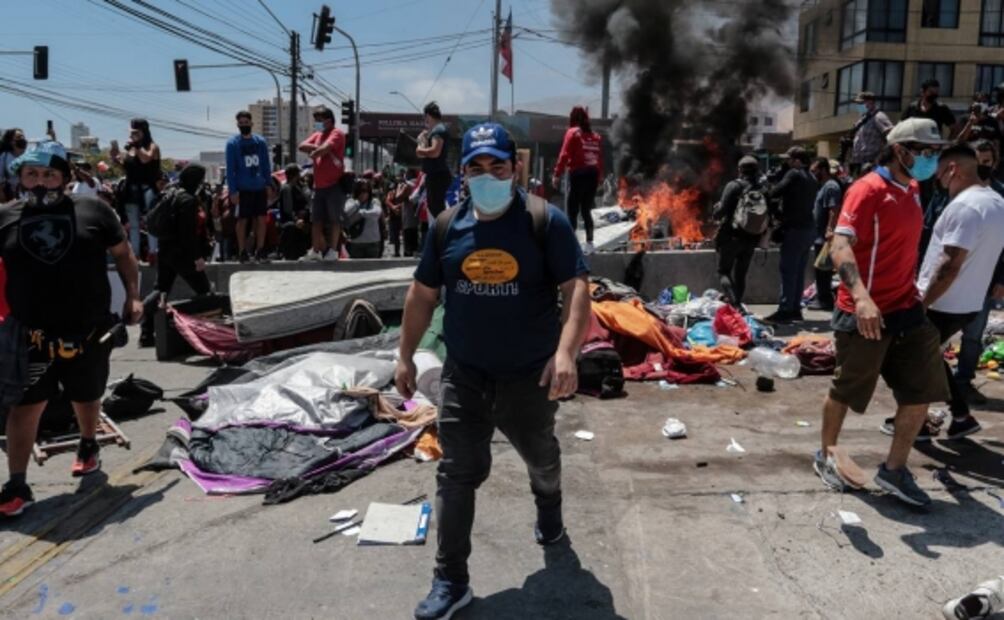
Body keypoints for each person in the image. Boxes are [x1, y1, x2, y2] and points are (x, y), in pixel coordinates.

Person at [396, 123, 591, 620]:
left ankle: (549, 509)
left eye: (496, 167)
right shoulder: (446, 227)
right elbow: (422, 296)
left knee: (541, 458)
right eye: (476, 168)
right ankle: (451, 580)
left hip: (530, 377)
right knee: (456, 474)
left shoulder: (545, 222)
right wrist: (404, 356)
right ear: (463, 172)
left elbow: (577, 292)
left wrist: (566, 353)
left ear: (515, 168)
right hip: (467, 376)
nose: (487, 176)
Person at [813, 118, 950, 507]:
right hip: (864, 312)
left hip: (906, 309)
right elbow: (840, 246)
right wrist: (861, 298)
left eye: (934, 152)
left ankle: (894, 471)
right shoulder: (866, 190)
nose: (930, 159)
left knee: (921, 388)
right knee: (846, 390)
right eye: (924, 151)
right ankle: (826, 453)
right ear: (900, 149)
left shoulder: (913, 189)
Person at [0, 141, 142, 517]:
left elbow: (125, 255)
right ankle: (16, 484)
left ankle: (88, 443)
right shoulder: (5, 217)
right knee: (24, 407)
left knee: (87, 395)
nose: (40, 182)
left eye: (49, 174)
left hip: (88, 331)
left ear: (63, 178)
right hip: (31, 335)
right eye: (32, 174)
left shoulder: (94, 209)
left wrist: (133, 296)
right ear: (21, 178)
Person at [881, 144, 1004, 442]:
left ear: (953, 170)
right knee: (930, 356)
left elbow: (949, 265)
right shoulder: (996, 202)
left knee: (899, 357)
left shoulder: (964, 207)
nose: (938, 182)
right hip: (969, 302)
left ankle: (916, 421)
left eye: (939, 175)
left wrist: (919, 305)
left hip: (942, 301)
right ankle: (960, 416)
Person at [139, 163, 213, 347]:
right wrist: (197, 258)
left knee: (161, 290)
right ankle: (209, 334)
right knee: (204, 291)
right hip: (182, 253)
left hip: (165, 250)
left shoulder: (170, 193)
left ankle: (146, 334)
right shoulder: (188, 200)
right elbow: (187, 235)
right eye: (201, 180)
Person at [955, 141, 1004, 405]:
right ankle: (934, 383)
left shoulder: (1001, 196)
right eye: (977, 161)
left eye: (987, 161)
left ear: (993, 163)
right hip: (950, 276)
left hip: (984, 280)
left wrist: (1001, 280)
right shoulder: (954, 190)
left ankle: (963, 381)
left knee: (973, 335)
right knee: (933, 335)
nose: (982, 166)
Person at [765, 146, 818, 323]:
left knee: (788, 271)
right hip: (808, 229)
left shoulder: (794, 174)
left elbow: (775, 192)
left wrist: (769, 189)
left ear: (796, 160)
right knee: (798, 271)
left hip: (794, 230)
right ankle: (795, 309)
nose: (786, 163)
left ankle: (786, 310)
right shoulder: (811, 177)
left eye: (789, 159)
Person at [712, 155, 767, 308]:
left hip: (731, 236)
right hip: (752, 238)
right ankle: (737, 304)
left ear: (740, 170)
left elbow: (720, 212)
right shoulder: (763, 188)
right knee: (741, 274)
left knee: (723, 271)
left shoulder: (734, 186)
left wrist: (716, 210)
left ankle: (735, 306)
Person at [553, 106, 604, 254]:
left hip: (579, 174)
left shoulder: (572, 132)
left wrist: (557, 174)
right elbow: (599, 159)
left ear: (572, 118)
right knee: (586, 210)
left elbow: (564, 154)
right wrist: (600, 177)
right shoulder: (595, 136)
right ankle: (589, 243)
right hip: (593, 175)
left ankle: (570, 244)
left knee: (572, 210)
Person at [298, 106, 347, 261]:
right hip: (318, 187)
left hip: (334, 185)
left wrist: (317, 151)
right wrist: (316, 148)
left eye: (320, 119)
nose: (317, 123)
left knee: (334, 219)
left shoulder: (337, 133)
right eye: (316, 120)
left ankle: (333, 250)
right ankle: (316, 250)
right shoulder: (318, 135)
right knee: (316, 220)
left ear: (329, 119)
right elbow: (302, 146)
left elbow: (325, 149)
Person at [110, 119, 161, 262]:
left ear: (144, 132)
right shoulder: (130, 149)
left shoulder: (152, 146)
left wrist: (137, 146)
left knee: (150, 222)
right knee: (133, 225)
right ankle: (136, 254)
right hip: (131, 189)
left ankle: (153, 252)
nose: (132, 135)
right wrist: (116, 160)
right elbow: (127, 168)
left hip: (147, 188)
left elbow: (146, 159)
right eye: (131, 132)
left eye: (136, 132)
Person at [225, 111, 272, 263]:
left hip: (259, 187)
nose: (244, 125)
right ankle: (242, 250)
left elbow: (266, 165)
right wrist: (233, 191)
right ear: (238, 125)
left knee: (261, 218)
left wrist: (268, 183)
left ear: (251, 123)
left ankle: (260, 249)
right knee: (242, 220)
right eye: (241, 123)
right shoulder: (232, 144)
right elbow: (230, 169)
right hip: (242, 188)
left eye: (246, 122)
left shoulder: (260, 142)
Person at [807, 157, 843, 311]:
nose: (813, 174)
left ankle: (825, 300)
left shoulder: (831, 187)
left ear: (823, 169)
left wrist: (830, 229)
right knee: (820, 269)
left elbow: (834, 209)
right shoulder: (824, 186)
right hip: (819, 235)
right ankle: (822, 297)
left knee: (823, 270)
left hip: (825, 236)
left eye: (815, 171)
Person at [416, 101, 452, 220]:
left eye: (425, 117)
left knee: (438, 213)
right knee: (434, 211)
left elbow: (434, 152)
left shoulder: (438, 130)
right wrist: (424, 140)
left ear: (428, 116)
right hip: (435, 176)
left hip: (437, 177)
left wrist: (420, 147)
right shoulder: (436, 130)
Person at [850, 92, 894, 175]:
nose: (858, 106)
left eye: (861, 103)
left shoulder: (879, 116)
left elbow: (892, 137)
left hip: (873, 164)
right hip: (859, 164)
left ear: (870, 102)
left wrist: (879, 159)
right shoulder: (863, 119)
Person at [343, 179, 383, 259]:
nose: (363, 193)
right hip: (355, 243)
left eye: (365, 190)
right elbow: (346, 213)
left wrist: (361, 213)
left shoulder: (374, 202)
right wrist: (357, 203)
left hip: (372, 243)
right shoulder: (351, 201)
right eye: (360, 190)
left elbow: (377, 212)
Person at [0, 128, 28, 202]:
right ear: (12, 142)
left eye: (23, 137)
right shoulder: (5, 157)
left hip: (29, 195)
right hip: (11, 197)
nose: (22, 139)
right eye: (19, 137)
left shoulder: (30, 156)